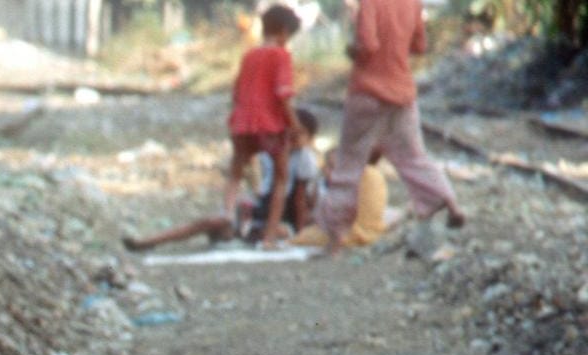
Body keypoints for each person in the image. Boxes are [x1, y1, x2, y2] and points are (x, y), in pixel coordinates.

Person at [316, 0, 464, 253]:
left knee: (349, 164)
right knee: (414, 157)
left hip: (367, 92)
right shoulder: (413, 4)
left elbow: (368, 44)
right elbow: (420, 46)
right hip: (403, 93)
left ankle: (335, 238)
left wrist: (353, 51)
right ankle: (448, 200)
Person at [123, 108, 322, 252]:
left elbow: (299, 200)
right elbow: (254, 183)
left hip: (282, 221)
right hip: (258, 214)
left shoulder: (304, 159)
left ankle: (247, 236)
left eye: (298, 136)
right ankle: (150, 241)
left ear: (309, 139)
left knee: (272, 232)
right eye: (288, 134)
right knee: (210, 221)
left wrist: (300, 235)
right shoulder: (273, 152)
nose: (291, 140)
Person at [225, 4, 304, 247]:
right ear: (283, 32)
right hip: (270, 125)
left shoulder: (249, 55)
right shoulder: (281, 55)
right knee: (281, 179)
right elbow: (283, 95)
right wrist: (296, 126)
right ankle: (269, 238)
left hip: (243, 122)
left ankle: (225, 222)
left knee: (235, 175)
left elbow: (236, 92)